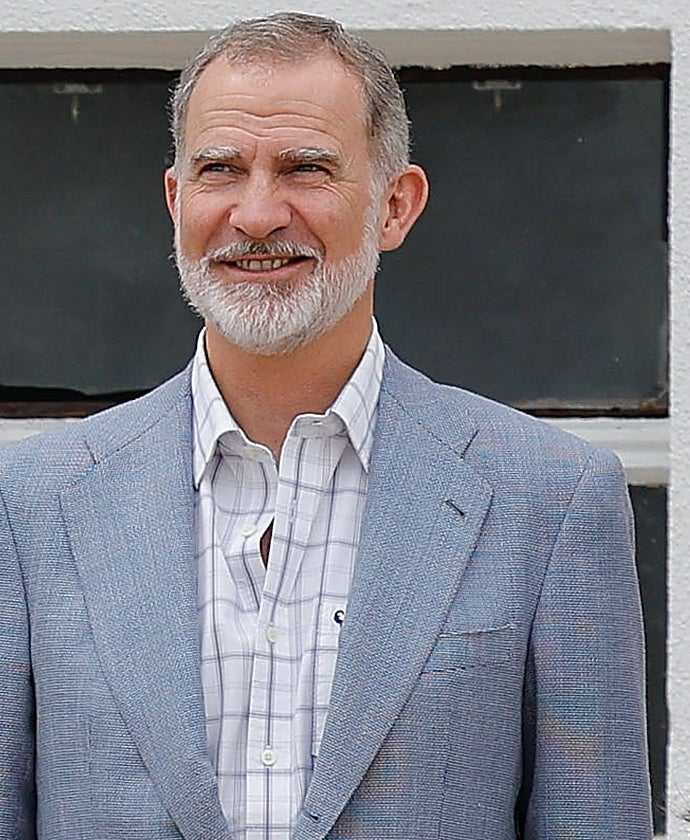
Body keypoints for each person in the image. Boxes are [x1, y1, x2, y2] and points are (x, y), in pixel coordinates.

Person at [0, 12, 651, 839]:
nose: (256, 214)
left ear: (394, 207)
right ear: (175, 199)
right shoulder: (31, 505)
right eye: (219, 169)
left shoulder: (551, 501)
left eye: (305, 168)